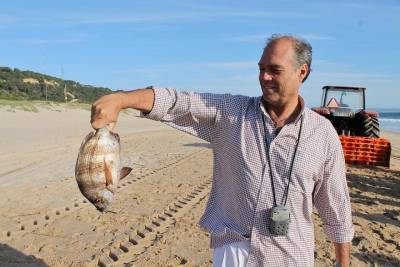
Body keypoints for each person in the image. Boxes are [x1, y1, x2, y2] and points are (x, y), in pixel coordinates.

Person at [91, 34, 354, 267]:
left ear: (302, 72)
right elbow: (179, 102)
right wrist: (121, 99)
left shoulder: (322, 134)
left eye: (274, 70)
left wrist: (343, 263)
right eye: (261, 69)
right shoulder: (231, 113)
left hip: (291, 255)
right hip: (234, 250)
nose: (264, 77)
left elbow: (336, 207)